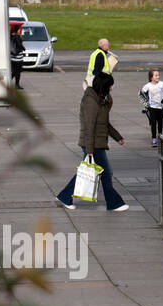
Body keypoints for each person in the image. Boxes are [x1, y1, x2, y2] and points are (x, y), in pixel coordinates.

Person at [54, 72, 128, 211]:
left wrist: (117, 137)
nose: (111, 88)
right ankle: (114, 203)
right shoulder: (91, 101)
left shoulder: (99, 99)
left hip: (96, 143)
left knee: (91, 173)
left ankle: (64, 196)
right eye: (110, 86)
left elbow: (104, 123)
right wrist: (89, 151)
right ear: (103, 86)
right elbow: (89, 127)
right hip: (93, 144)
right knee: (102, 173)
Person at [140, 68, 163, 146]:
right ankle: (154, 138)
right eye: (156, 75)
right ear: (151, 77)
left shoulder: (162, 84)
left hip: (161, 107)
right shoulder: (148, 86)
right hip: (152, 108)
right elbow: (141, 93)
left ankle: (160, 136)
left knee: (160, 123)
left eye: (158, 75)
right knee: (153, 124)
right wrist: (145, 104)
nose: (158, 77)